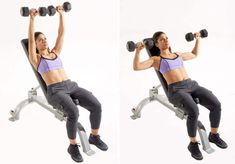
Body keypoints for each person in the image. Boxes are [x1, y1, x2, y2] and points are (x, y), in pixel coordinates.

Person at [28, 6, 108, 162]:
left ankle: (94, 136)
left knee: (96, 105)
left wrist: (61, 14)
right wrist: (32, 19)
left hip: (71, 86)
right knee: (73, 113)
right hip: (55, 91)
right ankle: (72, 146)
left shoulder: (55, 52)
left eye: (45, 39)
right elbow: (30, 39)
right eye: (40, 40)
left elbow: (61, 33)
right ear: (36, 45)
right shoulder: (36, 59)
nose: (44, 41)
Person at [133, 31, 227, 160]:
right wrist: (138, 51)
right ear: (156, 44)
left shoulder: (177, 54)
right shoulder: (156, 60)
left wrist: (198, 39)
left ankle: (214, 135)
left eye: (167, 38)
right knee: (194, 110)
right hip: (177, 90)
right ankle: (193, 144)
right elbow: (137, 67)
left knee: (216, 105)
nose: (166, 40)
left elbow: (194, 54)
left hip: (192, 85)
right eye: (161, 39)